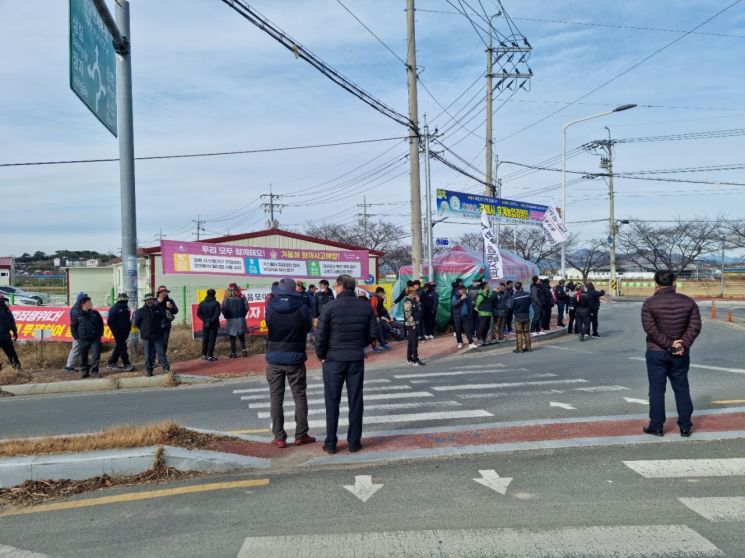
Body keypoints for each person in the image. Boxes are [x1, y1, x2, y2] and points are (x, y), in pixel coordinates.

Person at [314, 274, 376, 454]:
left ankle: (331, 443)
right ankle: (354, 442)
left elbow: (321, 335)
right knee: (356, 401)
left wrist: (322, 355)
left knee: (332, 402)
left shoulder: (329, 307)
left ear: (341, 287)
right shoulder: (365, 307)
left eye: (335, 286)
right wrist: (358, 345)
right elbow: (372, 333)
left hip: (333, 359)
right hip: (355, 358)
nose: (334, 288)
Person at [641, 270, 701, 438]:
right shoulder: (688, 302)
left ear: (656, 283)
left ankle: (657, 426)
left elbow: (650, 329)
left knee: (656, 390)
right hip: (680, 353)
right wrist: (682, 343)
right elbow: (695, 326)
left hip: (656, 352)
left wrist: (668, 344)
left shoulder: (649, 303)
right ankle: (685, 427)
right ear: (674, 282)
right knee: (682, 388)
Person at [265, 278, 316, 448]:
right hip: (295, 356)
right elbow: (308, 327)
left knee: (276, 397)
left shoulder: (271, 307)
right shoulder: (301, 307)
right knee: (299, 396)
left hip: (274, 356)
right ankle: (301, 434)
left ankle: (279, 436)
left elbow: (269, 325)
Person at [134, 293, 170, 377]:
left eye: (152, 300)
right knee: (148, 354)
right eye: (148, 300)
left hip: (157, 335)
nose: (150, 301)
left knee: (161, 353)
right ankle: (149, 370)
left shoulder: (158, 309)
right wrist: (143, 330)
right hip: (146, 336)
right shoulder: (140, 311)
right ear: (145, 301)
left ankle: (166, 368)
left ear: (153, 300)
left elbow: (164, 318)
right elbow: (137, 323)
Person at [72, 296, 104, 379]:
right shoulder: (77, 314)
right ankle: (85, 370)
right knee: (83, 356)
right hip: (82, 339)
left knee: (96, 355)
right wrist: (76, 337)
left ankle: (94, 371)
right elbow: (73, 327)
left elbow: (101, 324)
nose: (91, 304)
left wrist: (100, 334)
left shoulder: (95, 313)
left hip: (95, 339)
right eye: (89, 303)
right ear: (83, 304)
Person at [106, 293, 133, 371]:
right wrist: (116, 331)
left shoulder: (126, 308)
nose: (126, 301)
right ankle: (126, 363)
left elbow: (127, 319)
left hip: (125, 332)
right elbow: (110, 321)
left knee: (119, 347)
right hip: (118, 332)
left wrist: (128, 328)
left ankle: (111, 363)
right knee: (122, 347)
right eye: (124, 300)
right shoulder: (114, 308)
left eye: (126, 300)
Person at [222, 283, 249, 358]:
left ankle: (233, 353)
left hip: (231, 320)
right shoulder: (241, 298)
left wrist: (226, 316)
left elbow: (224, 309)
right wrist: (243, 315)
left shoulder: (226, 299)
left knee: (232, 337)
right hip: (241, 319)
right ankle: (244, 351)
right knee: (241, 336)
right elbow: (247, 307)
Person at [64, 292, 87, 373]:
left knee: (80, 349)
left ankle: (80, 364)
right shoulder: (76, 309)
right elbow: (76, 323)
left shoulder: (79, 307)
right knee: (76, 348)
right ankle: (69, 366)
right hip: (78, 333)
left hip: (80, 332)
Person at [197, 289, 221, 361]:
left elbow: (199, 314)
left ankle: (204, 354)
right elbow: (217, 314)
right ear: (214, 294)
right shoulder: (216, 303)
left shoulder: (202, 303)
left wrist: (206, 321)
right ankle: (210, 355)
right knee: (212, 340)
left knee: (205, 339)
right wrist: (210, 321)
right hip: (214, 324)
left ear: (207, 294)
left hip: (205, 324)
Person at [403, 286, 425, 366]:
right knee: (414, 342)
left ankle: (409, 359)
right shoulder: (408, 302)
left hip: (414, 323)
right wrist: (413, 324)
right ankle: (415, 360)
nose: (415, 294)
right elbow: (408, 314)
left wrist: (418, 302)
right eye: (413, 293)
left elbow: (418, 310)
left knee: (411, 342)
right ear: (409, 293)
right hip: (411, 324)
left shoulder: (413, 301)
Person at [451, 284, 477, 350]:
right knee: (458, 330)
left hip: (466, 316)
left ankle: (471, 343)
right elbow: (454, 305)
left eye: (465, 290)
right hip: (457, 316)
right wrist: (461, 299)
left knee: (468, 330)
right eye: (463, 290)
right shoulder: (455, 296)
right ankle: (460, 342)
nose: (464, 291)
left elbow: (470, 304)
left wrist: (473, 305)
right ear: (459, 290)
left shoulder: (467, 296)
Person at [510, 282, 532, 353]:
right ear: (521, 286)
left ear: (515, 288)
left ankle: (519, 348)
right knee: (526, 332)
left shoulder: (514, 296)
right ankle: (528, 347)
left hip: (518, 316)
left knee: (519, 333)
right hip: (526, 315)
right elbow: (529, 302)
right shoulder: (527, 294)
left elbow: (511, 307)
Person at [0, 295, 21, 370]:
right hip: (5, 336)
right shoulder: (6, 310)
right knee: (11, 353)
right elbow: (11, 323)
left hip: (4, 335)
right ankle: (17, 368)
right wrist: (15, 332)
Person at [155, 286, 178, 354]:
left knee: (165, 342)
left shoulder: (170, 301)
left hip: (166, 324)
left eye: (165, 292)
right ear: (158, 293)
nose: (164, 294)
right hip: (156, 325)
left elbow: (176, 311)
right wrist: (158, 302)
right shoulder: (154, 301)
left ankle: (162, 358)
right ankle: (153, 359)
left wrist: (171, 308)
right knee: (156, 342)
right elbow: (151, 310)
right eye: (162, 292)